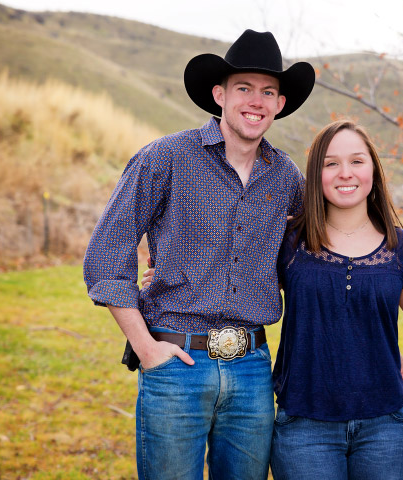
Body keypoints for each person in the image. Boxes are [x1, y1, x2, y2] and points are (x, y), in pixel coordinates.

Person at [83, 29, 315, 480]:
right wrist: (145, 346)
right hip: (175, 363)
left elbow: (308, 258)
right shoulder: (165, 158)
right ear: (219, 94)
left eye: (269, 91)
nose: (256, 101)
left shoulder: (285, 176)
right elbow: (107, 254)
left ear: (280, 104)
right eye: (244, 88)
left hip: (251, 369)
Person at [269, 120, 403, 479]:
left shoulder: (401, 246)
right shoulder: (289, 240)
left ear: (373, 168)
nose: (345, 173)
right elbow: (236, 287)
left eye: (357, 161)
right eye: (331, 163)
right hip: (304, 423)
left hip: (385, 425)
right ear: (316, 173)